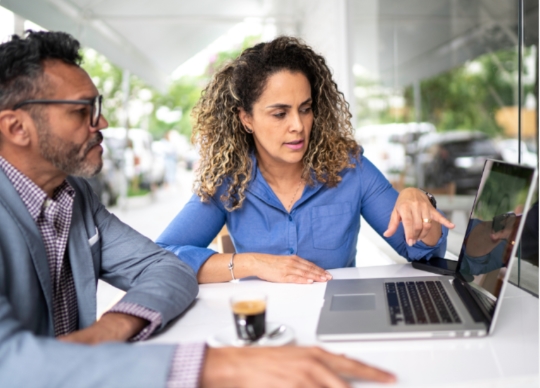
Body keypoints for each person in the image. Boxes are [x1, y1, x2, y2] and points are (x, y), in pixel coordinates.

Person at [0, 31, 395, 387]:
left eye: (305, 109)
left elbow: (165, 268)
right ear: (16, 127)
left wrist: (108, 331)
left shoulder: (75, 198)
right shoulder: (231, 179)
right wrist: (212, 363)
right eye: (80, 110)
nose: (101, 120)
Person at [157, 36, 455, 284]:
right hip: (266, 330)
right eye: (279, 113)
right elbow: (162, 257)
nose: (298, 126)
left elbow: (421, 253)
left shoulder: (350, 168)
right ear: (246, 118)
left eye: (305, 108)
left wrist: (419, 203)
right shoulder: (229, 180)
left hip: (340, 323)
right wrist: (254, 264)